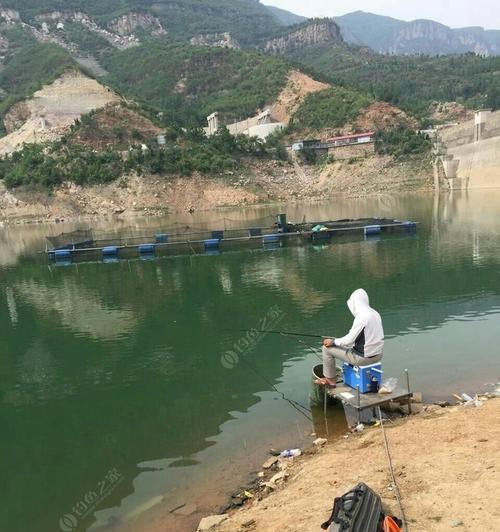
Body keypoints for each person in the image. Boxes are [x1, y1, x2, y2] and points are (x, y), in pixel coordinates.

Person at [315, 288, 384, 387]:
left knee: (326, 349)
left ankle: (330, 380)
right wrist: (337, 341)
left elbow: (348, 341)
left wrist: (333, 342)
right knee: (344, 346)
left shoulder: (362, 316)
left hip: (363, 359)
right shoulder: (375, 313)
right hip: (378, 355)